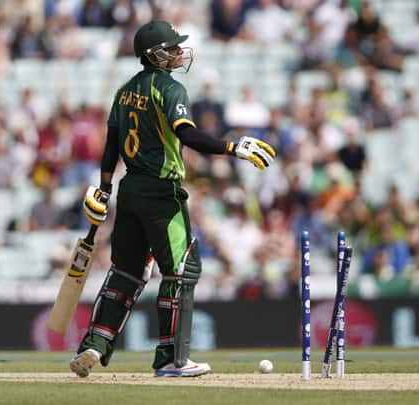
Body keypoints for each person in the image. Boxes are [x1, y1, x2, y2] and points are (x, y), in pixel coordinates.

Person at [69, 20, 276, 378]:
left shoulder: (124, 91)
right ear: (156, 55)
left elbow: (111, 145)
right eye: (173, 48)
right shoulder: (170, 89)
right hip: (162, 192)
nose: (180, 53)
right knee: (180, 271)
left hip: (129, 190)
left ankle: (95, 343)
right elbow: (189, 136)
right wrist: (234, 146)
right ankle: (171, 358)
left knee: (127, 272)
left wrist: (104, 188)